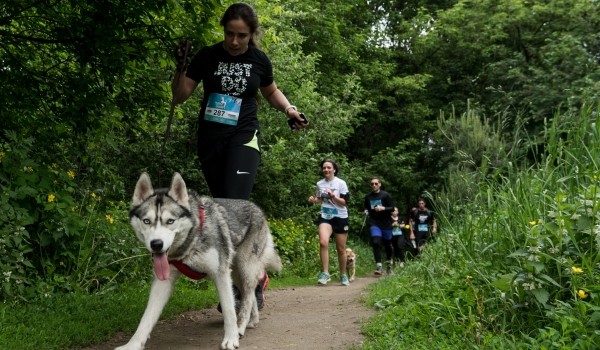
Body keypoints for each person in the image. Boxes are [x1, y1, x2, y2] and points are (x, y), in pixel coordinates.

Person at [172, 2, 308, 311]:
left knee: (235, 209)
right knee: (221, 217)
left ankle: (241, 289)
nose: (235, 42)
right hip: (210, 142)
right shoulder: (207, 56)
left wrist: (289, 109)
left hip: (243, 139)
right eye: (230, 34)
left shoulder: (259, 60)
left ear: (251, 35)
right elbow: (180, 96)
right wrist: (180, 68)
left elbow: (271, 91)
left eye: (242, 36)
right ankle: (252, 278)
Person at [308, 159, 351, 286]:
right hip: (325, 216)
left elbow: (345, 202)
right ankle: (325, 273)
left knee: (341, 249)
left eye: (329, 167)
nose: (326, 170)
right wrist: (313, 199)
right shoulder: (320, 183)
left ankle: (343, 274)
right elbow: (320, 199)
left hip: (340, 216)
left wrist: (333, 196)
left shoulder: (341, 183)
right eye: (324, 168)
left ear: (334, 169)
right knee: (323, 242)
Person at [363, 177, 395, 275]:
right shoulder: (368, 197)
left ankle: (389, 263)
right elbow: (366, 207)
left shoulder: (385, 195)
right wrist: (366, 211)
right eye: (372, 184)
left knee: (387, 244)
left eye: (376, 183)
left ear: (380, 184)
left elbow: (392, 208)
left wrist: (383, 208)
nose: (374, 185)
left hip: (386, 223)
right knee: (376, 242)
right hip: (374, 223)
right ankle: (379, 266)